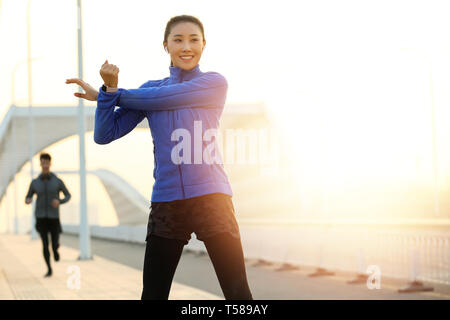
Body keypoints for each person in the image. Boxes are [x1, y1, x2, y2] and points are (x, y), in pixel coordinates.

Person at [66, 14, 253, 300]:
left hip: (212, 198)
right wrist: (108, 94)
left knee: (238, 294)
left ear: (204, 44)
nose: (186, 46)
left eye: (193, 40)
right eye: (178, 40)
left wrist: (113, 93)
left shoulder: (214, 84)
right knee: (152, 295)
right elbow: (104, 134)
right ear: (165, 45)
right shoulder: (150, 90)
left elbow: (168, 98)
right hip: (167, 202)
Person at [25, 152, 71, 277]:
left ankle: (56, 250)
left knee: (54, 242)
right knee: (45, 244)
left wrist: (59, 201)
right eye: (43, 162)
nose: (45, 165)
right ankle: (49, 269)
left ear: (50, 163)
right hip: (40, 217)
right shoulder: (35, 182)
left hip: (54, 217)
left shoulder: (57, 181)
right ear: (40, 164)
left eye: (47, 162)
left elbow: (68, 195)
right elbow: (28, 196)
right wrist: (28, 200)